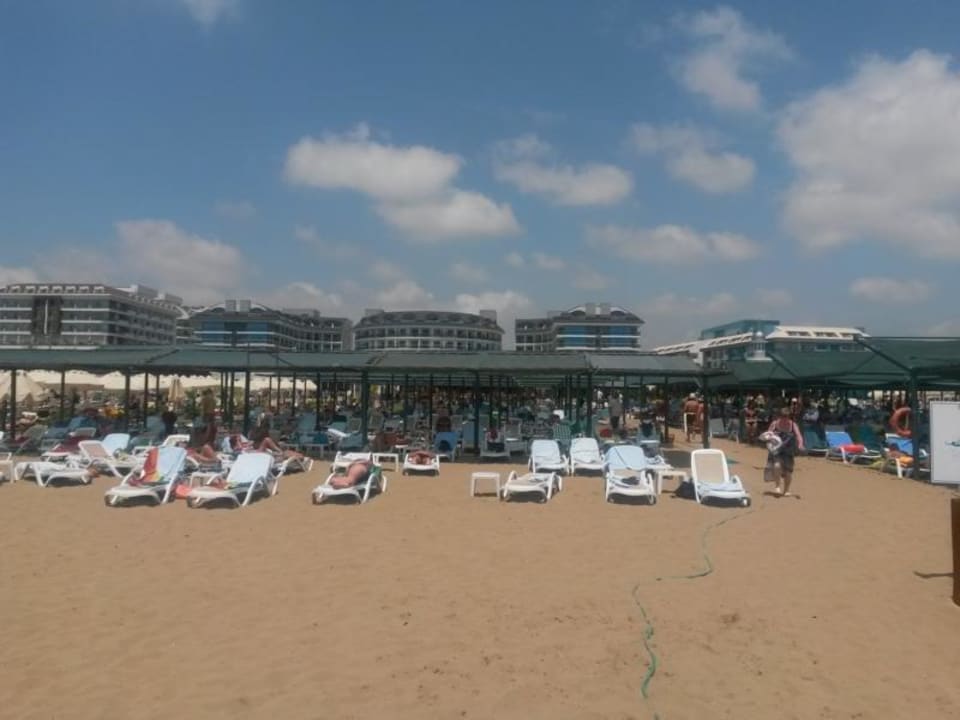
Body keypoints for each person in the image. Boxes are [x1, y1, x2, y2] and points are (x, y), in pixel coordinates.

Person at [766, 406, 805, 497]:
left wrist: (800, 445)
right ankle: (777, 487)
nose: (784, 418)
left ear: (789, 417)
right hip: (777, 449)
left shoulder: (793, 425)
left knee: (788, 472)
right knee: (777, 466)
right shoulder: (774, 424)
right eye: (783, 416)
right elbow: (768, 435)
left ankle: (786, 490)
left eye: (786, 416)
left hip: (788, 450)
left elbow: (799, 436)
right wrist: (769, 443)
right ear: (780, 416)